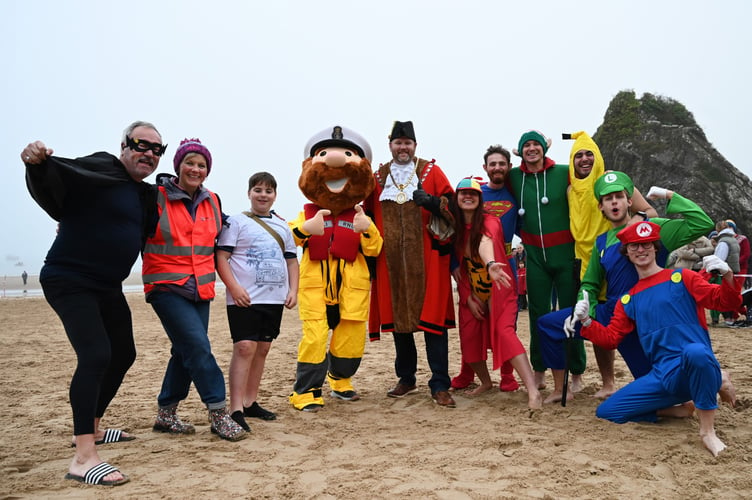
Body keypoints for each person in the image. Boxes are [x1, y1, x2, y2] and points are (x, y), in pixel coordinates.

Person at [22, 120, 162, 486]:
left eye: (156, 150)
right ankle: (83, 457)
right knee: (96, 355)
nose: (149, 153)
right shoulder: (102, 167)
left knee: (124, 353)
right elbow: (55, 183)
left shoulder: (143, 195)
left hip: (107, 286)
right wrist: (36, 164)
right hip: (69, 278)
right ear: (124, 145)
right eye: (141, 145)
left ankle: (93, 427)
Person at [538, 171, 714, 403]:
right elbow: (590, 282)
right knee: (548, 324)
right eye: (607, 198)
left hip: (646, 319)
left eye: (619, 196)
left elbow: (703, 223)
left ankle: (706, 386)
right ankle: (562, 390)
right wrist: (585, 310)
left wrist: (669, 196)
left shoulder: (653, 228)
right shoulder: (602, 241)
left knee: (661, 390)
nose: (614, 201)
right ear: (601, 207)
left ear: (629, 201)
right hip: (613, 314)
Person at [573, 221, 739, 457]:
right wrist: (587, 322)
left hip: (695, 363)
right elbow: (610, 339)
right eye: (634, 247)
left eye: (646, 245)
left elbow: (725, 302)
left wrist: (728, 275)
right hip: (663, 375)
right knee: (608, 411)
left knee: (696, 352)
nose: (641, 250)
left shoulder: (683, 278)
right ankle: (681, 409)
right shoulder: (628, 300)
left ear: (655, 248)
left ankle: (707, 431)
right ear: (627, 253)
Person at [145, 138, 245, 442]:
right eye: (190, 162)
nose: (195, 169)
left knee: (184, 350)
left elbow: (232, 230)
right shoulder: (155, 197)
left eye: (201, 165)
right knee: (199, 347)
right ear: (177, 166)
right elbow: (120, 219)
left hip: (200, 288)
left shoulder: (212, 201)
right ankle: (218, 413)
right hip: (165, 285)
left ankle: (166, 413)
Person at [288, 126, 382, 411]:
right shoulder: (307, 213)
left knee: (350, 339)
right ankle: (305, 392)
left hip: (351, 290)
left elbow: (374, 248)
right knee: (315, 337)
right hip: (316, 289)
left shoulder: (360, 215)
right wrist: (305, 229)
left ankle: (340, 380)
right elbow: (292, 236)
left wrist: (367, 230)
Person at [365, 121, 457, 407]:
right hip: (390, 261)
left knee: (433, 324)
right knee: (400, 321)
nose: (402, 147)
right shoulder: (377, 177)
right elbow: (365, 213)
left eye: (407, 143)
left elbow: (453, 206)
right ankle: (406, 378)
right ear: (390, 145)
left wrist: (432, 202)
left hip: (427, 260)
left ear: (415, 146)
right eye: (398, 142)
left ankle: (440, 383)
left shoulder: (430, 170)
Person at [563, 131, 657, 398]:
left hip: (616, 260)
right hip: (586, 262)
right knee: (594, 322)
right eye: (578, 155)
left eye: (589, 154)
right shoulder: (571, 190)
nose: (584, 159)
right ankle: (608, 383)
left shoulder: (613, 183)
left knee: (627, 322)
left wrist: (633, 225)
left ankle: (650, 376)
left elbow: (650, 212)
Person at [449, 177, 542, 408]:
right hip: (473, 292)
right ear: (457, 198)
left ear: (480, 199)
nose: (468, 197)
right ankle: (486, 382)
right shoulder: (456, 229)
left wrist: (491, 264)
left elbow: (485, 241)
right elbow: (461, 267)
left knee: (504, 333)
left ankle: (532, 390)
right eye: (463, 193)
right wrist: (468, 297)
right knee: (469, 339)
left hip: (500, 289)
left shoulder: (491, 221)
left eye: (473, 193)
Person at [216, 172, 299, 430]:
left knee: (262, 349)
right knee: (244, 348)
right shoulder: (236, 222)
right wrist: (234, 287)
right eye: (258, 190)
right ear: (249, 193)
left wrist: (293, 290)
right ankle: (236, 407)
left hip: (274, 298)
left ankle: (251, 402)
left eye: (268, 191)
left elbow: (291, 261)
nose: (263, 195)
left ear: (275, 195)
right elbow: (221, 257)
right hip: (244, 298)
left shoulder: (283, 226)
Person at [507, 130, 584, 391]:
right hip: (535, 257)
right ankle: (539, 371)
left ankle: (576, 374)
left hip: (566, 255)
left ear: (544, 149)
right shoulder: (514, 176)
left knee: (572, 313)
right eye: (526, 145)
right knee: (538, 315)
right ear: (520, 151)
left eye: (535, 145)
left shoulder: (564, 171)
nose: (531, 149)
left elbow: (588, 187)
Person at [450, 145, 519, 392]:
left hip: (505, 258)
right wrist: (455, 264)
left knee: (504, 325)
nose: (497, 168)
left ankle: (508, 375)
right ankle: (467, 372)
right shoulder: (478, 192)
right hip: (472, 266)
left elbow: (527, 225)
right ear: (485, 168)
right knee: (472, 323)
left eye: (502, 164)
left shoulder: (516, 192)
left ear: (509, 168)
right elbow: (452, 235)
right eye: (493, 164)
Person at [713, 220, 741, 326]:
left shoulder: (723, 241)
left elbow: (719, 259)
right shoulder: (733, 239)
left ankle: (728, 319)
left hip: (724, 273)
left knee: (723, 296)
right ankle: (731, 318)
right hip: (733, 271)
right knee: (731, 295)